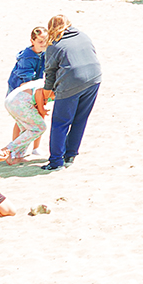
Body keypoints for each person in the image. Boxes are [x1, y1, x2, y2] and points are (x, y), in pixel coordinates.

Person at [39, 14, 101, 171]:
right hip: (94, 78)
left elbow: (50, 72)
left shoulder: (54, 44)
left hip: (72, 82)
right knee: (80, 119)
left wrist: (46, 93)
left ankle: (56, 162)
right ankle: (70, 155)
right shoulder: (83, 36)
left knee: (60, 123)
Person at [3, 26, 49, 163]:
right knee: (22, 121)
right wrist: (36, 95)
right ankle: (15, 150)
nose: (43, 44)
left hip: (35, 88)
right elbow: (26, 80)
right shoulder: (26, 57)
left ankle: (36, 147)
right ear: (32, 41)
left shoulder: (44, 53)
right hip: (20, 91)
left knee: (39, 115)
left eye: (45, 41)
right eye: (40, 41)